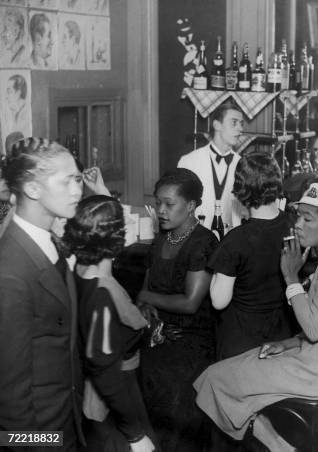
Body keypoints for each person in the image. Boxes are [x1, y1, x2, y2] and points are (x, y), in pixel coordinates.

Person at [194, 182, 318, 451]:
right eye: (298, 215)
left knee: (217, 377)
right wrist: (287, 343)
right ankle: (280, 446)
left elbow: (314, 329)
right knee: (233, 370)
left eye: (308, 219)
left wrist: (291, 277)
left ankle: (279, 447)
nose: (297, 224)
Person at [0, 138, 84, 450]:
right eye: (67, 181)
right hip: (39, 435)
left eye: (78, 179)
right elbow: (10, 398)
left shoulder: (48, 242)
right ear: (33, 190)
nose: (77, 190)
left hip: (65, 418)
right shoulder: (10, 272)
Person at [61, 195, 156, 452]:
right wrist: (136, 436)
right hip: (115, 398)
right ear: (118, 236)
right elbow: (106, 374)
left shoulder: (82, 269)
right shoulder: (100, 292)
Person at [137, 168, 218, 452]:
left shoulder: (204, 242)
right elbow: (148, 285)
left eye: (169, 204)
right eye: (158, 202)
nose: (160, 210)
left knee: (178, 418)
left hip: (189, 343)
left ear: (192, 205)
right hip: (157, 336)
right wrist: (145, 304)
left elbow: (190, 302)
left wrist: (146, 296)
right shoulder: (162, 237)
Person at [209, 150, 294, 360]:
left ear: (240, 190)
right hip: (283, 338)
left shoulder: (236, 240)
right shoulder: (294, 227)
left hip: (242, 342)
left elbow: (218, 301)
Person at [178, 102, 244, 231]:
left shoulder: (243, 164)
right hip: (196, 237)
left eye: (241, 124)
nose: (240, 129)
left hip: (231, 240)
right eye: (234, 122)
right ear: (217, 125)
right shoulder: (188, 161)